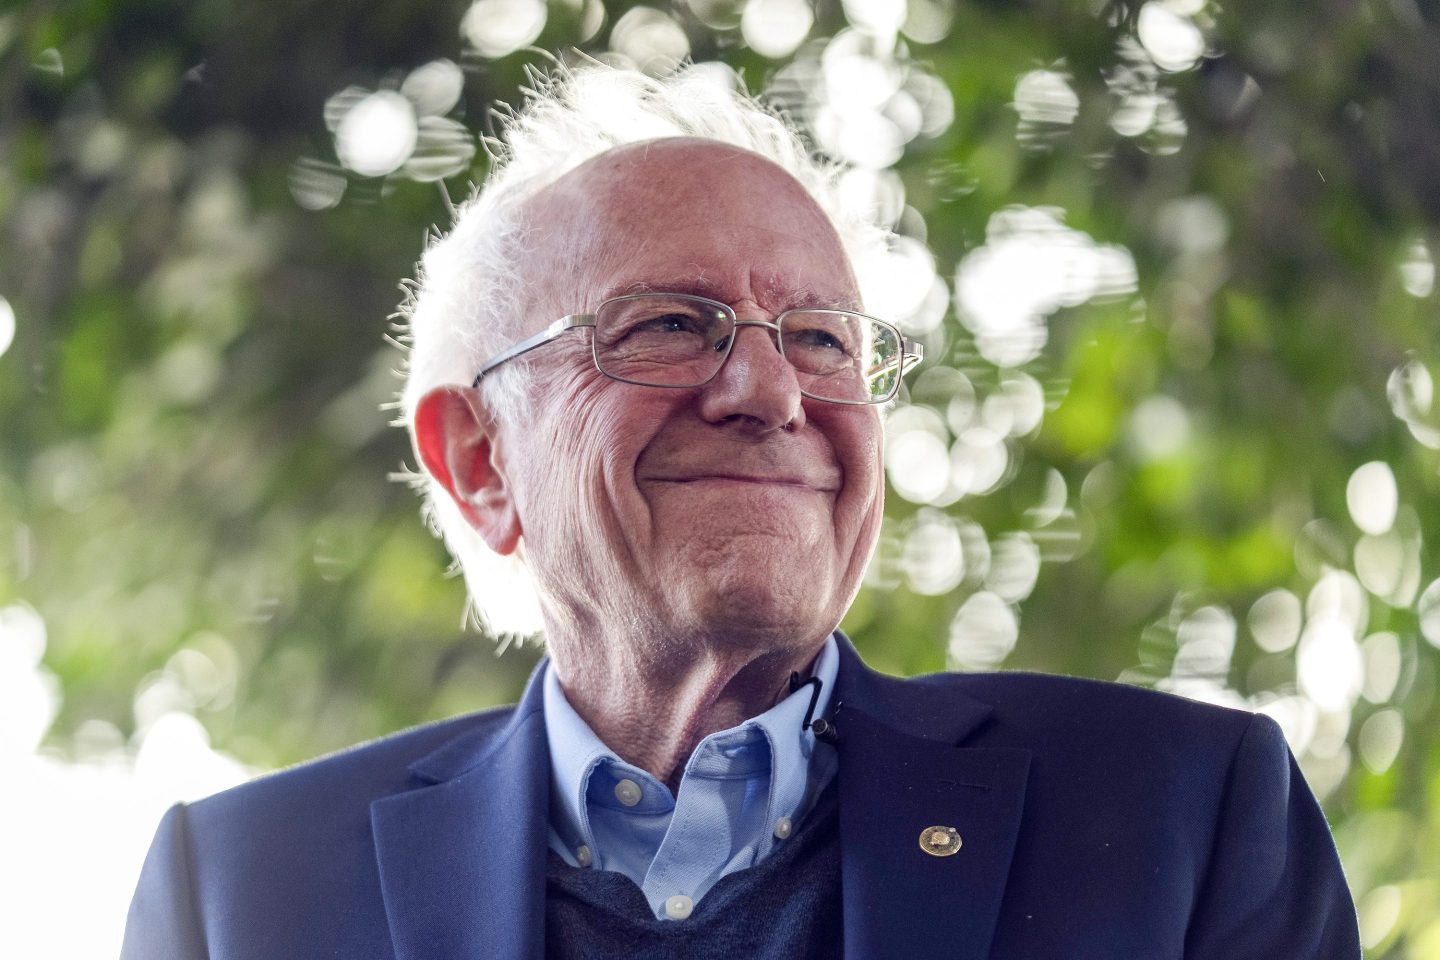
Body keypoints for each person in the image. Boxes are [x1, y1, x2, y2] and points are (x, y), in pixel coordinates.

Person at [122, 65, 1361, 959]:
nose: (771, 391)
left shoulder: (1185, 816)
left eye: (820, 338)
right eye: (670, 324)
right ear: (481, 461)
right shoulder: (238, 897)